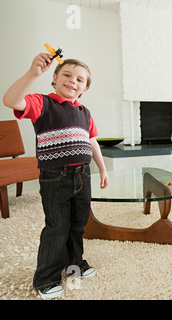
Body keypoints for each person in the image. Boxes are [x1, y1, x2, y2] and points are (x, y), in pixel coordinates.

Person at [3, 53, 109, 299]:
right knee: (56, 226)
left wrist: (102, 168)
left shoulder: (85, 112)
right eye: (67, 75)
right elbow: (10, 100)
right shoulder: (43, 103)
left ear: (85, 88)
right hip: (55, 177)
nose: (73, 81)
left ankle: (75, 265)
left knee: (78, 224)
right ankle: (45, 278)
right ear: (55, 78)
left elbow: (91, 140)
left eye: (80, 79)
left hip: (83, 175)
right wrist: (32, 73)